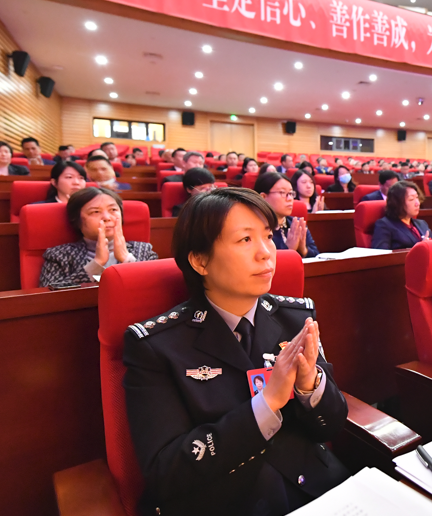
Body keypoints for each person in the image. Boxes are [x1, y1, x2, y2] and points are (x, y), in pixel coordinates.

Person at [123, 187, 350, 516]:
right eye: (245, 239)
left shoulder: (296, 318)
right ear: (200, 260)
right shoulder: (156, 346)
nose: (266, 253)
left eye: (268, 236)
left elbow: (330, 426)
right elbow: (166, 471)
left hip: (316, 490)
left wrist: (309, 387)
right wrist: (266, 403)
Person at [39, 187, 158, 287]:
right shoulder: (59, 255)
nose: (107, 217)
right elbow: (48, 296)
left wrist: (127, 260)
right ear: (77, 220)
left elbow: (156, 290)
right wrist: (96, 264)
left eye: (113, 210)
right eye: (95, 212)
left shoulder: (143, 250)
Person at [255, 172, 319, 258]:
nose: (290, 199)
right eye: (283, 193)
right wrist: (288, 249)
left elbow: (316, 256)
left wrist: (303, 249)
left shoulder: (297, 224)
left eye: (291, 194)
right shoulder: (255, 228)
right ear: (263, 197)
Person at [371, 181, 432, 250]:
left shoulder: (422, 223)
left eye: (417, 198)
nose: (417, 203)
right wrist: (418, 249)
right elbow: (382, 254)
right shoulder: (384, 225)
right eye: (411, 199)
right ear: (397, 203)